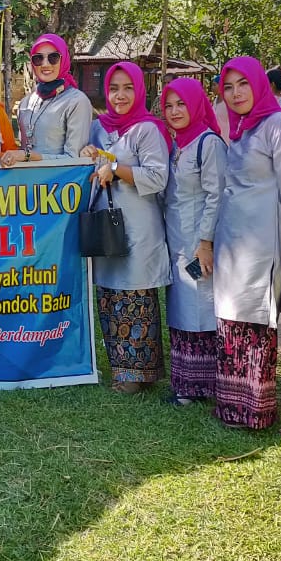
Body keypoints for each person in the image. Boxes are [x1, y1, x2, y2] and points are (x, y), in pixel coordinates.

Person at [212, 56, 281, 430]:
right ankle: (230, 405)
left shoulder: (279, 126)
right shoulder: (240, 128)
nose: (235, 94)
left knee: (255, 319)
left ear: (259, 85)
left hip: (264, 240)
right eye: (228, 87)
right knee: (231, 316)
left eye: (243, 84)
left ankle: (255, 409)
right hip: (231, 240)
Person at [80, 62, 170, 394]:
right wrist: (88, 154)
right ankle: (121, 368)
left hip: (138, 224)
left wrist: (116, 168)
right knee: (109, 295)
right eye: (114, 88)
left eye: (128, 88)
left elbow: (159, 176)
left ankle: (140, 373)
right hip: (105, 222)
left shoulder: (147, 129)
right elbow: (88, 164)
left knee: (135, 295)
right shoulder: (97, 127)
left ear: (139, 90)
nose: (120, 95)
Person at [160, 77, 225, 406]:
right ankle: (185, 383)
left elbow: (216, 196)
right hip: (177, 242)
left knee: (200, 308)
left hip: (198, 243)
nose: (174, 111)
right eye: (168, 105)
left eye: (181, 104)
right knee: (182, 308)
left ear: (197, 104)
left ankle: (203, 385)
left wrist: (205, 241)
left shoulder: (208, 143)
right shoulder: (177, 144)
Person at [2, 34, 92, 169]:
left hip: (61, 185)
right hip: (27, 185)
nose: (45, 64)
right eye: (38, 58)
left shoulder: (76, 102)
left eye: (53, 57)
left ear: (63, 60)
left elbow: (75, 159)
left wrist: (31, 157)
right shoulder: (26, 102)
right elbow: (23, 148)